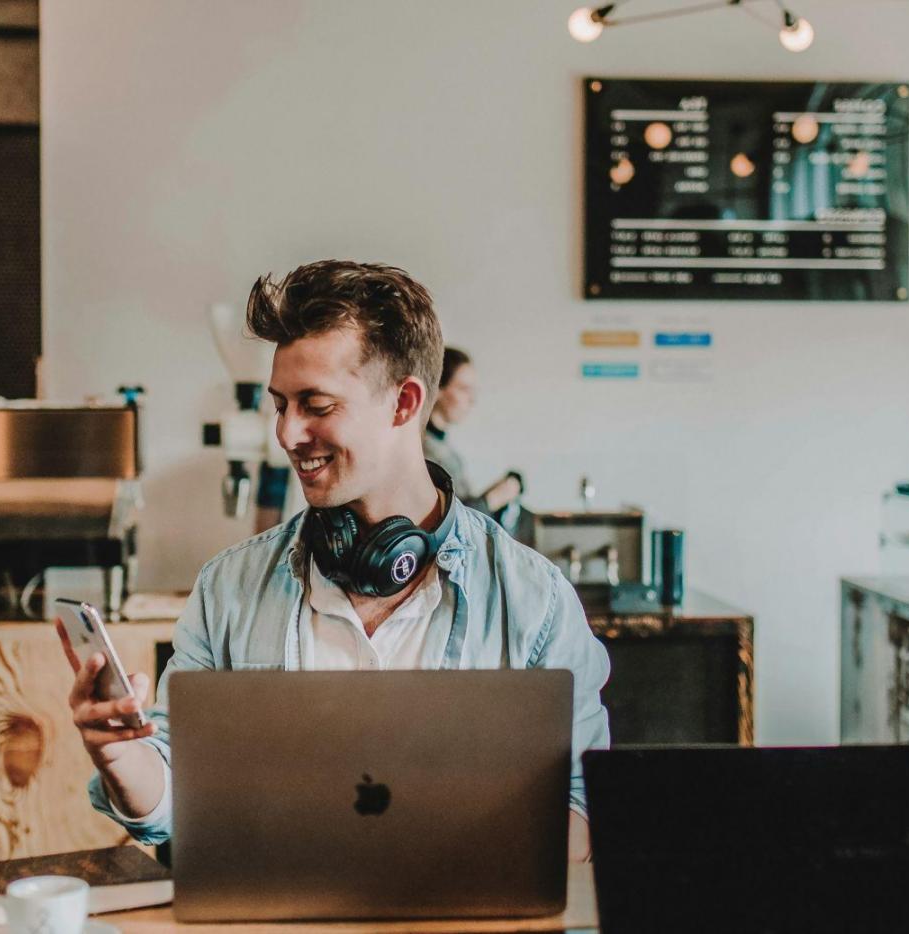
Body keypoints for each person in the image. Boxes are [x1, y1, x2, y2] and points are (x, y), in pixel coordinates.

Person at [57, 260, 610, 859]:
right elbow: (175, 798)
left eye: (316, 405)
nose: (288, 434)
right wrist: (121, 756)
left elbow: (582, 808)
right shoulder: (229, 587)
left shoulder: (536, 600)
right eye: (280, 405)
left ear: (404, 403)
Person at [424, 347, 523, 517]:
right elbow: (448, 521)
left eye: (473, 391)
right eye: (464, 389)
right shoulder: (422, 449)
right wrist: (494, 498)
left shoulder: (442, 445)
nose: (472, 400)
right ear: (438, 388)